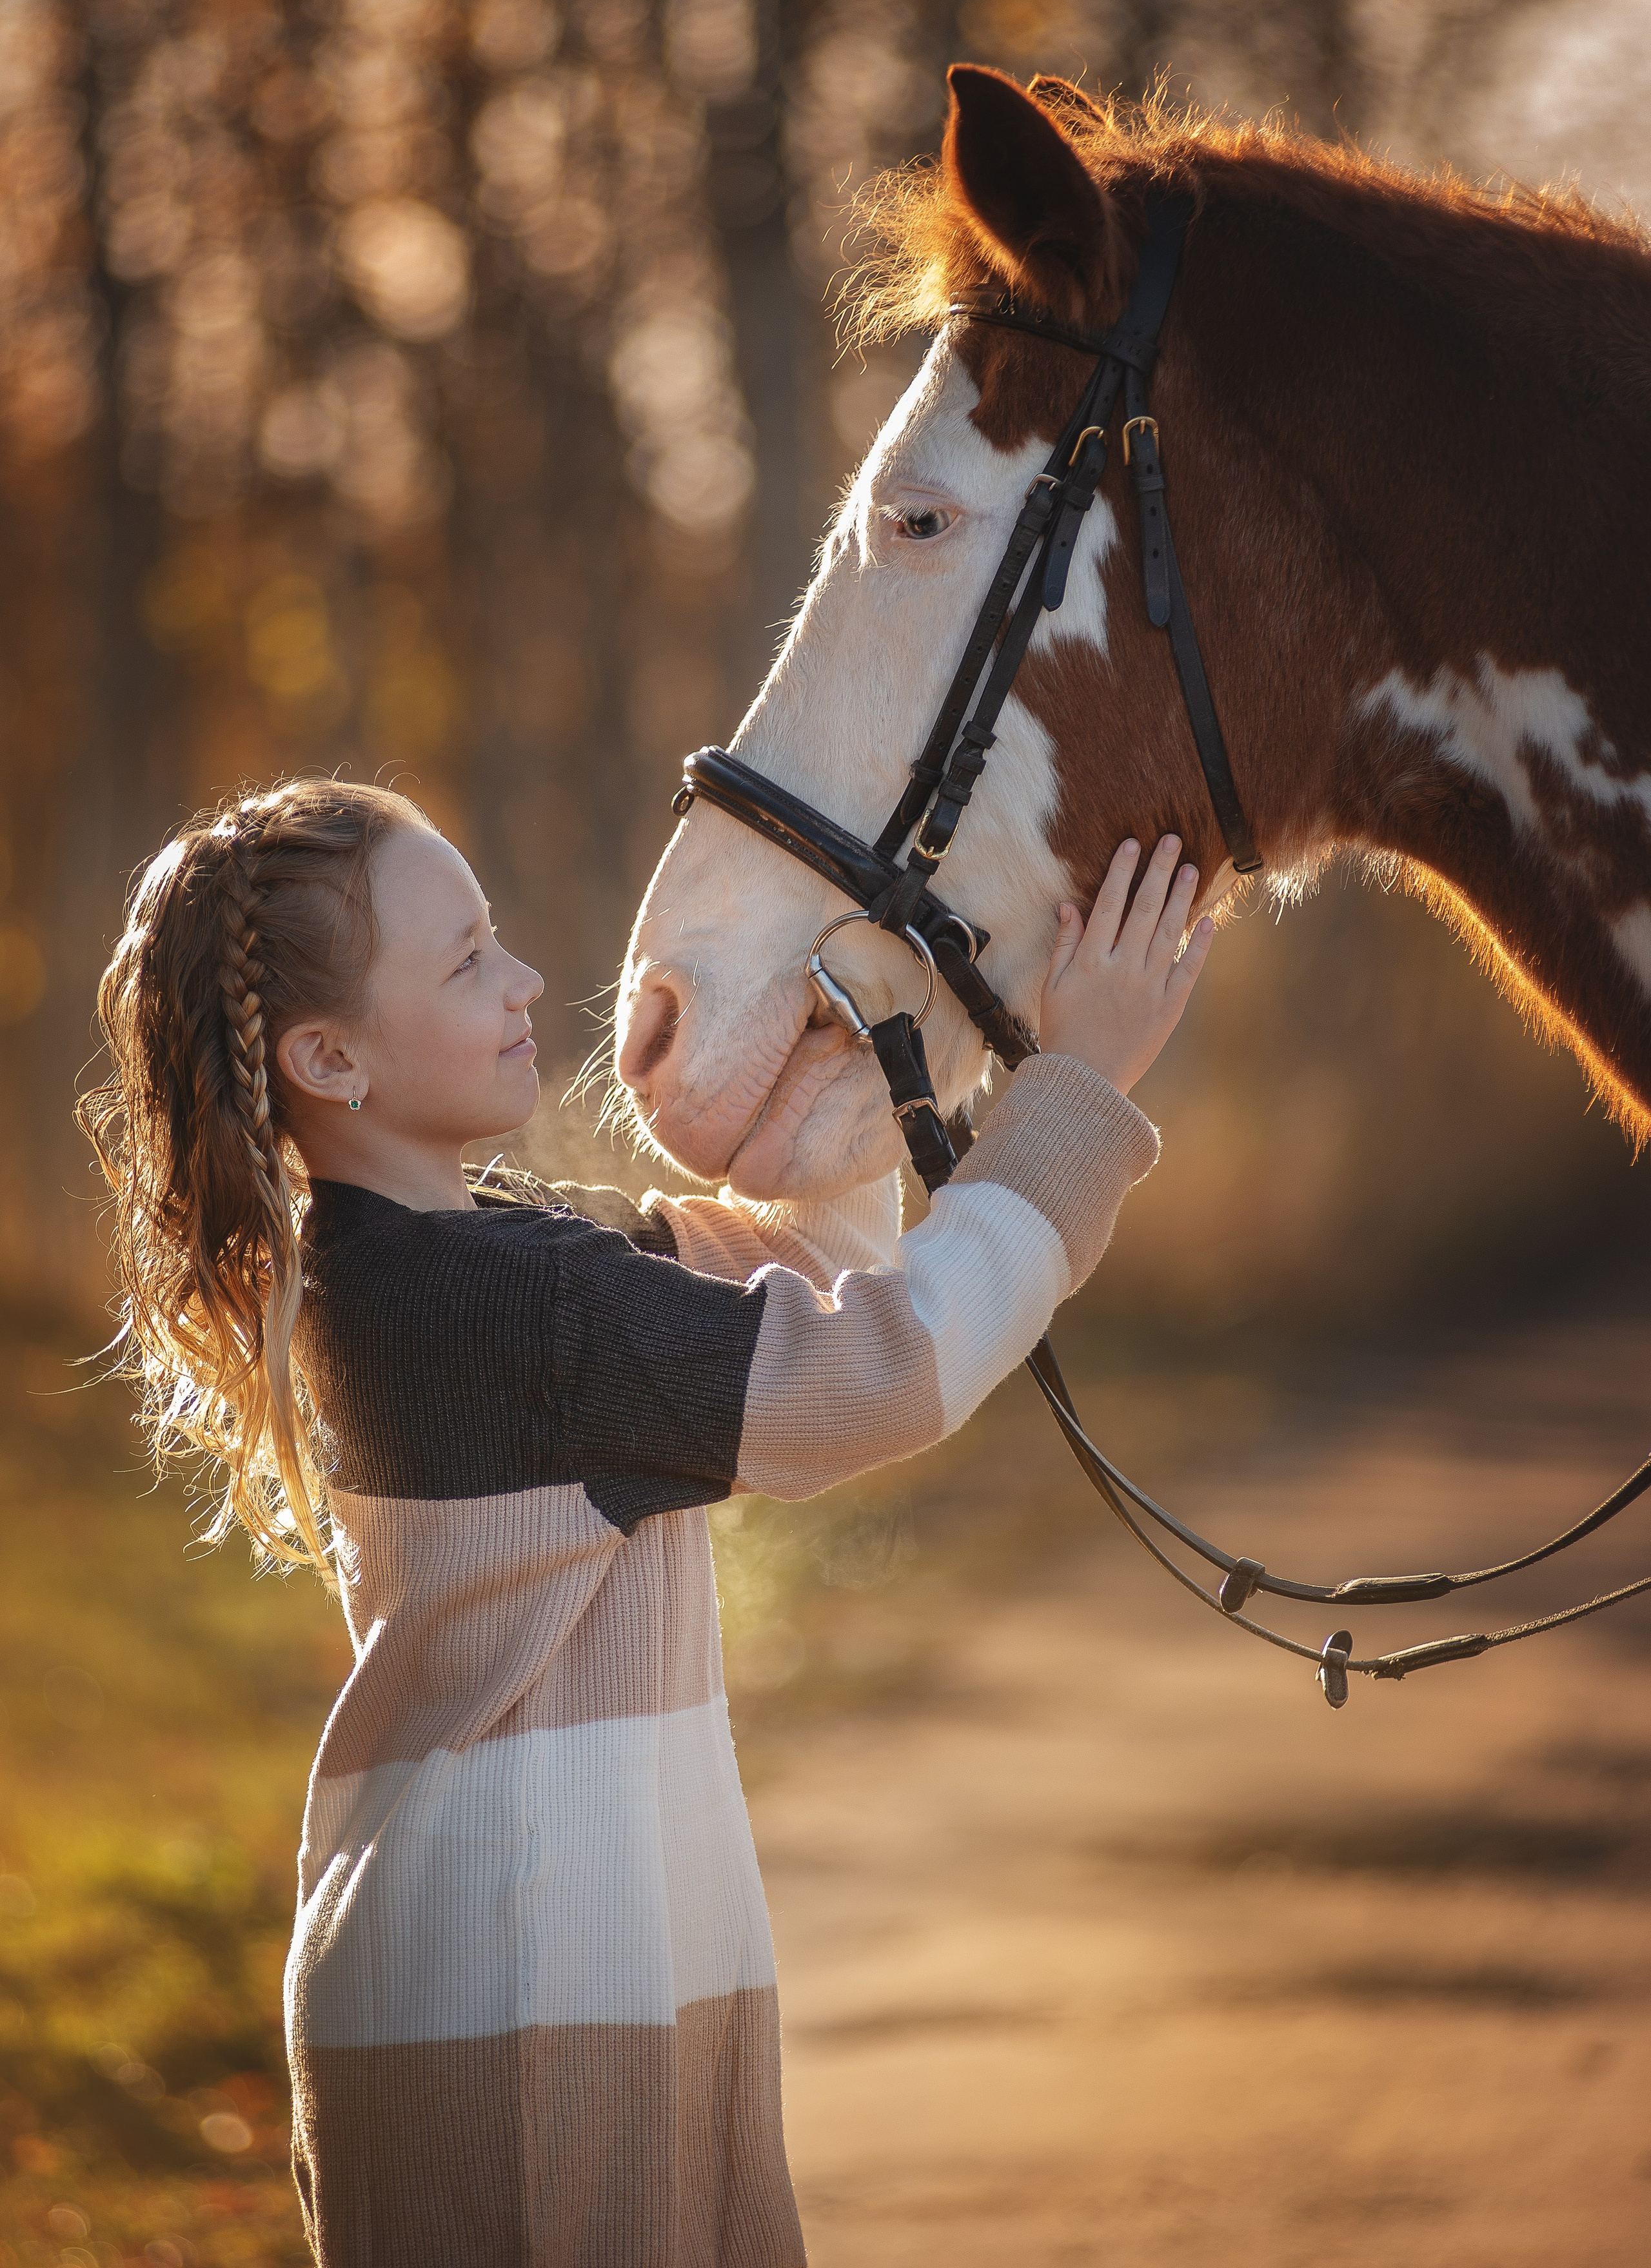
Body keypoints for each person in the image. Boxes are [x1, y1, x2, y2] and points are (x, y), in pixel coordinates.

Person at [79, 776, 1214, 2268]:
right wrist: (1081, 1079)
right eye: (467, 960)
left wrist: (853, 1033)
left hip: (526, 1964)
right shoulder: (513, 1306)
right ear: (328, 1057)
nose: (526, 980)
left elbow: (805, 1269)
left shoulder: (436, 1252)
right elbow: (886, 1365)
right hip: (529, 1993)